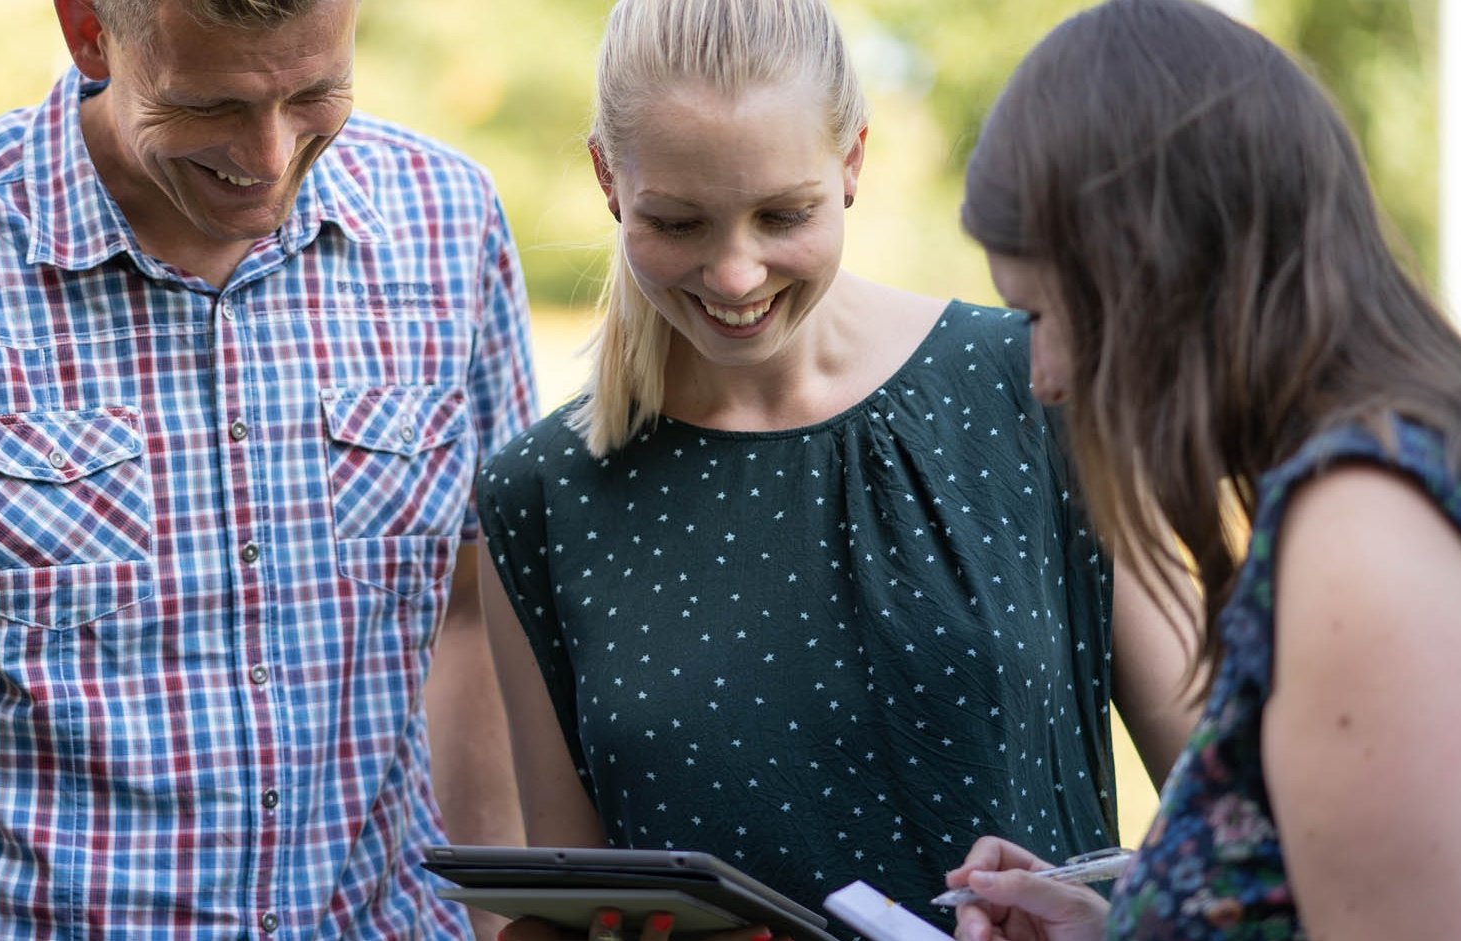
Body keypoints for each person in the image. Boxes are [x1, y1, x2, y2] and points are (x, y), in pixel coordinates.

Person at [0, 0, 538, 937]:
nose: (271, 156)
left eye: (315, 94)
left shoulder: (451, 224)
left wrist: (498, 924)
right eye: (211, 105)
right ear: (89, 29)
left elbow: (470, 615)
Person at [476, 0, 1196, 936]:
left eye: (782, 214)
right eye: (679, 222)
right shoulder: (539, 497)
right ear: (609, 179)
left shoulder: (1038, 387)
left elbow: (1234, 820)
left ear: (852, 159)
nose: (735, 276)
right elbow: (575, 915)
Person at [943, 1, 1461, 939]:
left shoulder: (1370, 540)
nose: (1043, 377)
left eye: (1048, 316)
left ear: (1161, 273)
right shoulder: (1433, 458)